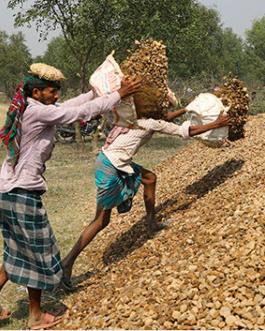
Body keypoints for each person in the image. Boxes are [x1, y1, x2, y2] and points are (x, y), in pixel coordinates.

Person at [0, 64, 141, 330]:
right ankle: (36, 316)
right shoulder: (38, 111)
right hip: (22, 194)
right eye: (52, 92)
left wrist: (97, 91)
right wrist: (117, 95)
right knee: (39, 252)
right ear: (37, 92)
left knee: (17, 248)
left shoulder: (30, 106)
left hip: (6, 191)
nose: (56, 96)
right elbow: (76, 113)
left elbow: (71, 106)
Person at [59, 106, 231, 291]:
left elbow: (165, 117)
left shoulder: (137, 115)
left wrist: (186, 109)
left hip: (113, 160)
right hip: (110, 165)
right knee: (101, 220)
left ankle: (151, 224)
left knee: (150, 178)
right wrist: (217, 124)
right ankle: (67, 262)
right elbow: (184, 131)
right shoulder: (150, 122)